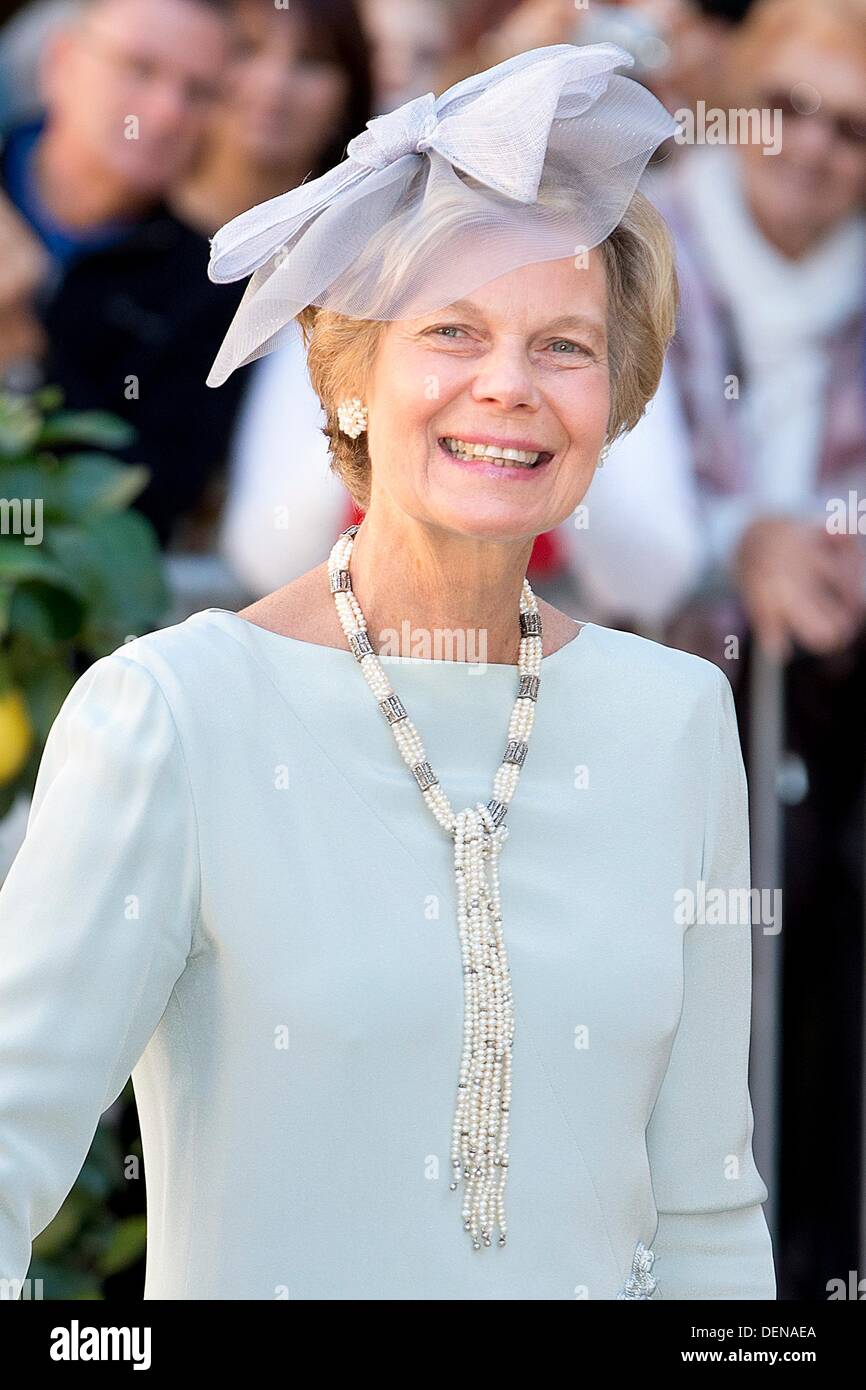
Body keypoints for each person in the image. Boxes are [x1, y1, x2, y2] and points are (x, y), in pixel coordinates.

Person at [0, 44, 776, 1299]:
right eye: (451, 331)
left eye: (564, 345)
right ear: (352, 376)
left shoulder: (676, 716)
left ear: (617, 394)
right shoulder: (172, 715)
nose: (507, 387)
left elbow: (704, 1212)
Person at [0, 0, 249, 547]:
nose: (165, 113)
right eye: (140, 69)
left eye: (199, 92)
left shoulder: (211, 290)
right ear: (61, 62)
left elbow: (145, 515)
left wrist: (21, 345)